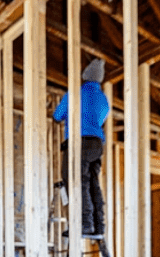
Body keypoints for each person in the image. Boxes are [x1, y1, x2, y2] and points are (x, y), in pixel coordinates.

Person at [53, 58, 110, 236]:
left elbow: (57, 115)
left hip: (79, 142)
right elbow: (100, 120)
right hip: (97, 144)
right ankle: (98, 225)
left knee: (75, 180)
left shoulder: (75, 94)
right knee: (93, 183)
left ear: (84, 77)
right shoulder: (103, 100)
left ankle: (85, 223)